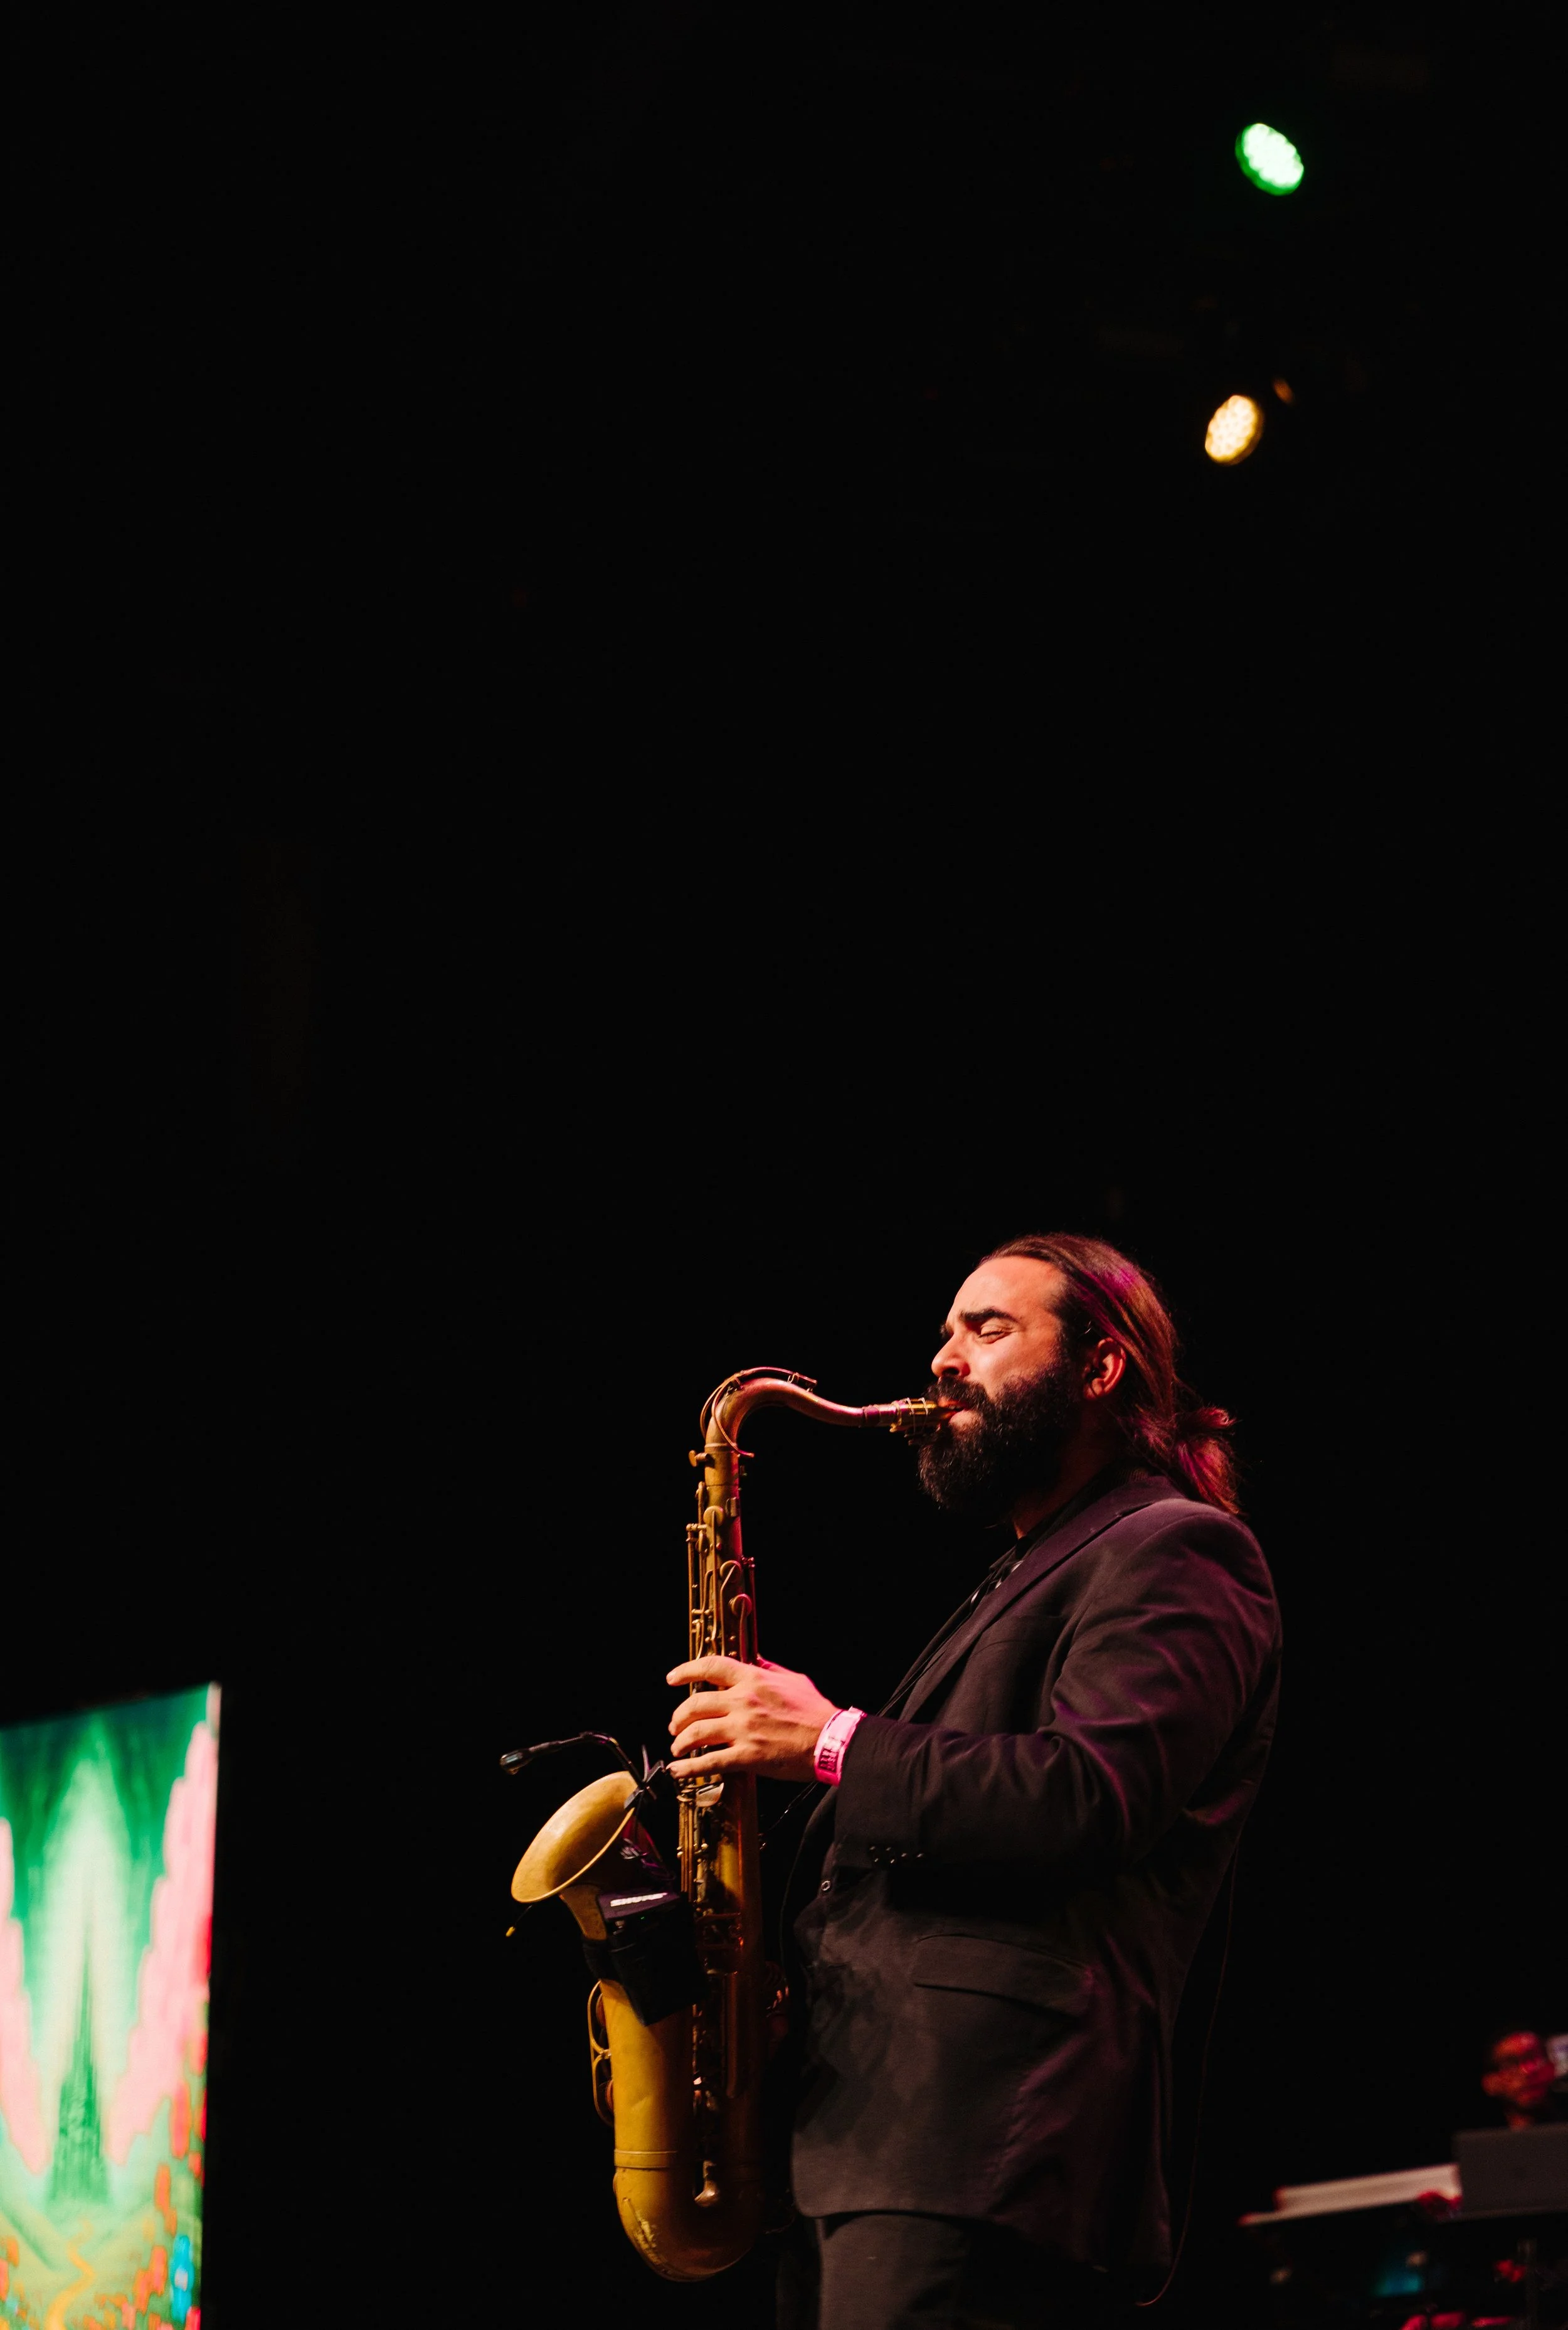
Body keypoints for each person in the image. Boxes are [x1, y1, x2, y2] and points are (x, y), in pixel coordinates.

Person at [665, 1232, 1282, 2329]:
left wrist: (831, 1740)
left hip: (982, 2143)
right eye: (946, 1330)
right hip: (872, 2140)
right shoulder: (1031, 1565)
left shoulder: (1177, 1548)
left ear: (1100, 1367)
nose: (945, 1357)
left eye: (989, 1327)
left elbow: (1092, 1793)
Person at [1481, 2028, 1567, 2127]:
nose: (1528, 2071)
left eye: (1536, 2058)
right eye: (1511, 2063)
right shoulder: (1473, 2140)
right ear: (1489, 2082)